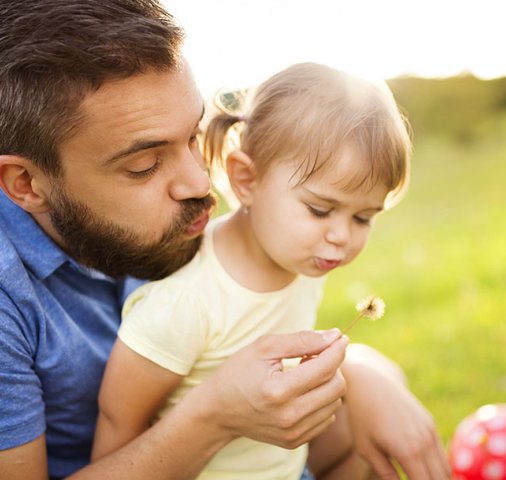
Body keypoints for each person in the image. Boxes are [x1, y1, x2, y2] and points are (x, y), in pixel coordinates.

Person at [0, 2, 449, 480]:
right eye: (144, 165)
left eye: (193, 136)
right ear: (26, 184)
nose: (200, 183)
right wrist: (214, 417)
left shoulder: (197, 225)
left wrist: (366, 374)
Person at [92, 62, 445, 480]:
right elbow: (118, 428)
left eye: (363, 218)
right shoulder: (185, 302)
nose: (341, 237)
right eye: (320, 209)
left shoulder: (301, 260)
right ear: (246, 179)